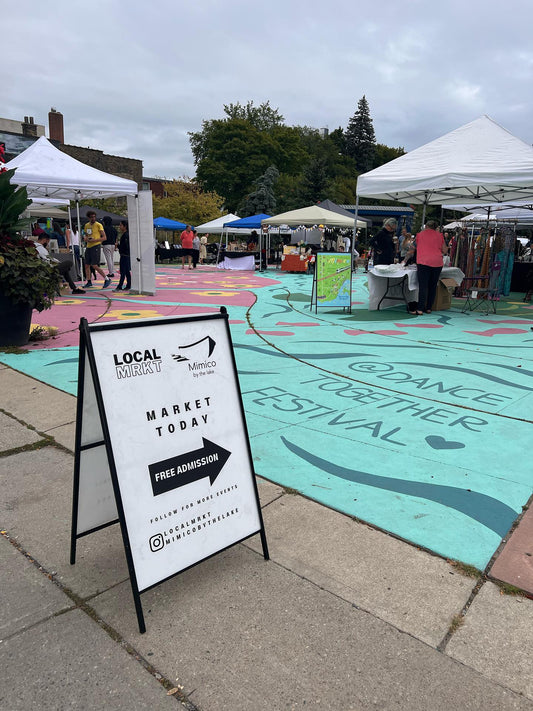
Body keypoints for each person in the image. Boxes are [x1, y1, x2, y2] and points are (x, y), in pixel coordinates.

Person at [404, 219, 448, 315]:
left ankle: (420, 309)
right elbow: (445, 250)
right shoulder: (440, 236)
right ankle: (428, 308)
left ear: (426, 226)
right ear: (435, 227)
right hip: (437, 263)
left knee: (423, 286)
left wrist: (405, 260)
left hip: (423, 262)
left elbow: (411, 250)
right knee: (432, 286)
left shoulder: (420, 235)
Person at [83, 211, 111, 288]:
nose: (93, 218)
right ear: (88, 218)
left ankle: (106, 278)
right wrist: (85, 238)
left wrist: (95, 240)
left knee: (94, 265)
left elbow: (104, 237)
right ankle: (89, 281)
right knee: (86, 265)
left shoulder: (99, 225)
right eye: (91, 217)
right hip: (88, 246)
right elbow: (86, 235)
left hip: (96, 246)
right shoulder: (86, 225)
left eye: (94, 217)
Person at [113, 220, 131, 292]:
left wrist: (118, 246)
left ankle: (120, 286)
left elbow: (124, 246)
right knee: (126, 271)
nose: (119, 227)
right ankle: (128, 285)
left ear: (125, 226)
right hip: (126, 255)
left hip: (124, 255)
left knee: (123, 271)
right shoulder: (127, 235)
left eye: (121, 225)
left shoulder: (125, 235)